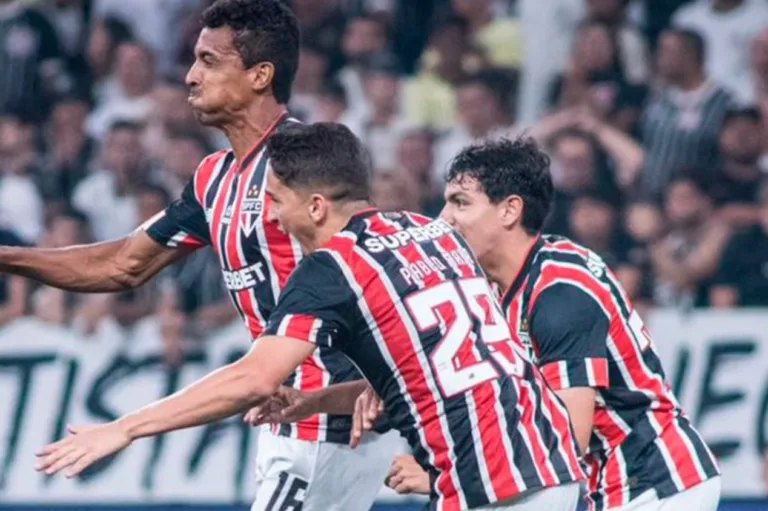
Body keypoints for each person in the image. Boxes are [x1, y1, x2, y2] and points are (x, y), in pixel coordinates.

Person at [36, 122, 586, 511]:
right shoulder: (431, 233)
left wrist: (125, 428)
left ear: (317, 205)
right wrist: (316, 400)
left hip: (491, 488)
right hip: (548, 467)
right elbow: (445, 360)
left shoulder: (331, 268)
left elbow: (253, 378)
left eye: (277, 201)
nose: (272, 217)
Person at [1, 1, 395, 510]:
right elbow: (123, 264)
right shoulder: (214, 177)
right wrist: (7, 257)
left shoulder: (306, 163)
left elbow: (374, 271)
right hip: (286, 416)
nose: (190, 76)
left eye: (209, 60)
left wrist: (127, 427)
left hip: (331, 421)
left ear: (260, 75)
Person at [351, 138, 721, 510]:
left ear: (509, 210)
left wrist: (443, 477)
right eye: (447, 201)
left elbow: (569, 439)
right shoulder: (486, 286)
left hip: (656, 484)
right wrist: (379, 391)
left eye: (461, 202)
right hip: (607, 485)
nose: (443, 218)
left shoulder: (561, 291)